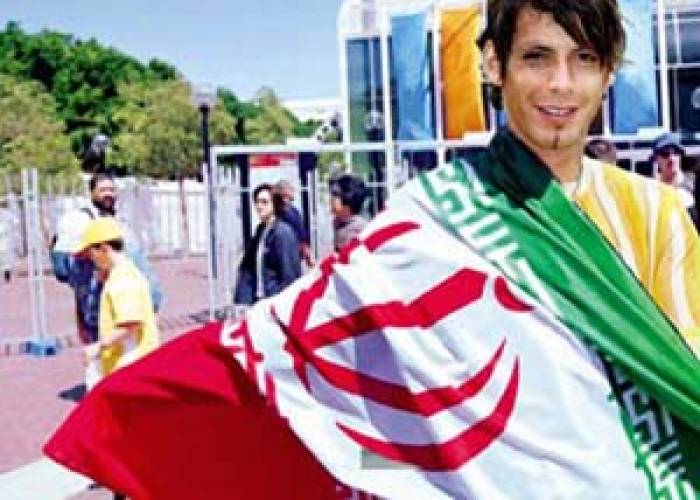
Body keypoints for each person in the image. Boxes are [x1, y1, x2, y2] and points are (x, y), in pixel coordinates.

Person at [46, 2, 700, 498]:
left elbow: (685, 371)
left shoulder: (657, 215)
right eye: (536, 57)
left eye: (584, 58)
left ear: (608, 72)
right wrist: (135, 412)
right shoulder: (435, 213)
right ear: (493, 65)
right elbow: (291, 341)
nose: (561, 83)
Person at [51, 173, 163, 345]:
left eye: (111, 189)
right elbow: (74, 283)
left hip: (118, 322)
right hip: (99, 318)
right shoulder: (78, 223)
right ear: (91, 192)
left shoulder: (121, 227)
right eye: (103, 190)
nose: (108, 193)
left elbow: (147, 286)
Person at [76, 217, 159, 385]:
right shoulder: (122, 274)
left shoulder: (123, 279)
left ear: (104, 249)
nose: (92, 260)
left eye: (91, 254)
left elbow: (131, 325)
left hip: (129, 364)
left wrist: (98, 347)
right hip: (128, 363)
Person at [233, 183, 302, 305]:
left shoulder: (282, 233)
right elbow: (248, 268)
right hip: (259, 301)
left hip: (275, 302)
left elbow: (289, 274)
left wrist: (282, 303)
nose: (259, 206)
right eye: (257, 202)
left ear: (275, 204)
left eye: (264, 202)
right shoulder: (260, 231)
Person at [650, 132, 697, 227]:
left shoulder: (694, 185)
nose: (671, 158)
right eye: (665, 154)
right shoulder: (651, 191)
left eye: (676, 152)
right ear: (656, 159)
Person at [274, 179, 314, 266]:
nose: (293, 190)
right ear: (285, 192)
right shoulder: (285, 212)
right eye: (291, 188)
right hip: (289, 255)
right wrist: (306, 251)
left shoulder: (292, 210)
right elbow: (300, 234)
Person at [329, 174, 368, 250]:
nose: (331, 199)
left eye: (335, 195)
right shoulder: (336, 223)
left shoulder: (360, 229)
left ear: (348, 198)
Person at [0, 199, 18, 283]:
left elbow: (15, 222)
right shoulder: (8, 214)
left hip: (6, 238)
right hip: (5, 237)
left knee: (5, 256)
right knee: (5, 256)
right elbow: (16, 222)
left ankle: (6, 272)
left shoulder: (7, 214)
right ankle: (6, 271)